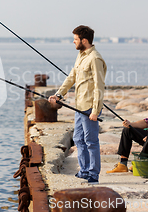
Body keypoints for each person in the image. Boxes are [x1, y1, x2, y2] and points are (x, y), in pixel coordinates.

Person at [48, 25, 106, 184]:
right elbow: (71, 77)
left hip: (89, 108)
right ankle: (85, 170)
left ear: (84, 40)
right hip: (79, 106)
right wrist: (59, 94)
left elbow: (99, 87)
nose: (73, 42)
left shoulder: (95, 59)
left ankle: (93, 174)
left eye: (75, 39)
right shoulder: (81, 56)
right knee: (78, 138)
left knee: (91, 141)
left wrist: (95, 110)